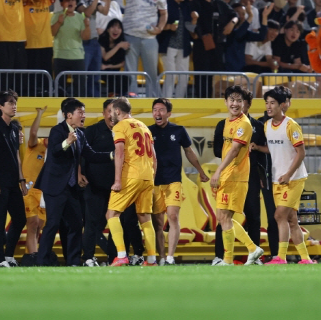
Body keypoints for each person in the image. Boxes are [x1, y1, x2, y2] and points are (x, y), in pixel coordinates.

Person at [36, 98, 113, 266]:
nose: (84, 116)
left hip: (71, 188)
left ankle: (73, 261)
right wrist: (67, 142)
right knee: (53, 224)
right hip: (55, 187)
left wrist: (112, 155)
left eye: (84, 112)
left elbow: (91, 154)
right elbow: (55, 151)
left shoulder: (81, 134)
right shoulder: (57, 131)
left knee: (76, 224)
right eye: (80, 112)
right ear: (69, 115)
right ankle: (41, 261)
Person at [208, 85, 265, 266]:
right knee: (223, 217)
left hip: (235, 175)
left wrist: (218, 171)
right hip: (228, 174)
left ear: (244, 103)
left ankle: (243, 252)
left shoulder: (244, 124)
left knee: (225, 216)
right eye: (232, 100)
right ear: (225, 102)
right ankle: (241, 253)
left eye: (239, 100)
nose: (235, 104)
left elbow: (234, 151)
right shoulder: (227, 122)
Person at [149, 98, 209, 265]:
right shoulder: (147, 131)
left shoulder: (179, 130)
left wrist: (200, 171)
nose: (157, 113)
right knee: (157, 223)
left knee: (173, 216)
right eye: (155, 110)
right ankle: (161, 257)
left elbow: (189, 151)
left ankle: (170, 257)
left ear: (168, 113)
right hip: (155, 183)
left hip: (174, 181)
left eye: (161, 110)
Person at [262, 88, 314, 265]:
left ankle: (280, 257)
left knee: (279, 216)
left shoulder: (291, 125)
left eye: (272, 103)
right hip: (277, 179)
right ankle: (306, 259)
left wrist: (288, 174)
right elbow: (274, 149)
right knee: (291, 220)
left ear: (282, 105)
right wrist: (258, 148)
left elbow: (301, 152)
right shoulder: (267, 125)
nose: (269, 107)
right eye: (267, 103)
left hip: (294, 179)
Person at [106, 97, 159, 266]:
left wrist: (117, 180)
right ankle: (151, 259)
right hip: (148, 177)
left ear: (118, 111)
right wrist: (151, 180)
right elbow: (154, 158)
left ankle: (121, 255)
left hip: (131, 175)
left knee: (112, 214)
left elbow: (119, 153)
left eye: (111, 111)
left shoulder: (120, 126)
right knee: (145, 217)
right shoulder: (144, 126)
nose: (110, 115)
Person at [0, 90, 28, 267]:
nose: (14, 106)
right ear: (0, 106)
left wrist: (21, 179)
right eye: (10, 103)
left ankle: (9, 255)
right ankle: (1, 260)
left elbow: (16, 156)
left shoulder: (15, 128)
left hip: (12, 182)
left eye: (15, 102)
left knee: (20, 219)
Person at [123, 0, 167, 97]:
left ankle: (153, 100)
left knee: (151, 73)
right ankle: (131, 99)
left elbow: (164, 13)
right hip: (130, 35)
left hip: (149, 38)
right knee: (131, 73)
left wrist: (160, 28)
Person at [82, 99, 118, 266]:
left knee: (114, 223)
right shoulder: (92, 131)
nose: (112, 115)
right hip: (94, 186)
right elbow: (82, 154)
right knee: (92, 223)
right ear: (103, 113)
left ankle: (114, 258)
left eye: (115, 111)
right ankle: (88, 258)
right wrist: (79, 173)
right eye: (109, 111)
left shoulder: (124, 131)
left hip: (116, 187)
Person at [160, 0, 194, 99]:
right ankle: (166, 102)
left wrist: (194, 20)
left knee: (184, 77)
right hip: (168, 45)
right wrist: (169, 27)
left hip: (183, 47)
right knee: (171, 76)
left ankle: (179, 102)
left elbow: (190, 26)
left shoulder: (186, 6)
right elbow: (158, 25)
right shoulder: (166, 5)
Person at [23, 106, 48, 257]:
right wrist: (39, 114)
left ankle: (32, 255)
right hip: (29, 190)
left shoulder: (55, 152)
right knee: (32, 223)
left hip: (43, 193)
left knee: (39, 226)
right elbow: (33, 133)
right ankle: (33, 257)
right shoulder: (35, 144)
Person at [51, 0, 91, 87]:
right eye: (67, 0)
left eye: (73, 0)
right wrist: (59, 23)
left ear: (76, 4)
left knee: (80, 87)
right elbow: (53, 33)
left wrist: (87, 26)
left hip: (77, 56)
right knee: (60, 87)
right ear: (61, 4)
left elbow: (85, 37)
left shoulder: (80, 17)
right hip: (60, 55)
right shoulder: (57, 16)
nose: (70, 2)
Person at [98, 18, 130, 96]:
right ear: (108, 29)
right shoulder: (102, 39)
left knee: (125, 79)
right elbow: (105, 57)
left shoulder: (122, 42)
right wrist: (118, 46)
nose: (116, 30)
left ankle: (120, 98)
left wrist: (109, 66)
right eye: (113, 27)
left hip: (113, 70)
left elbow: (122, 63)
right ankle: (111, 96)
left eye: (119, 28)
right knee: (110, 78)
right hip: (101, 70)